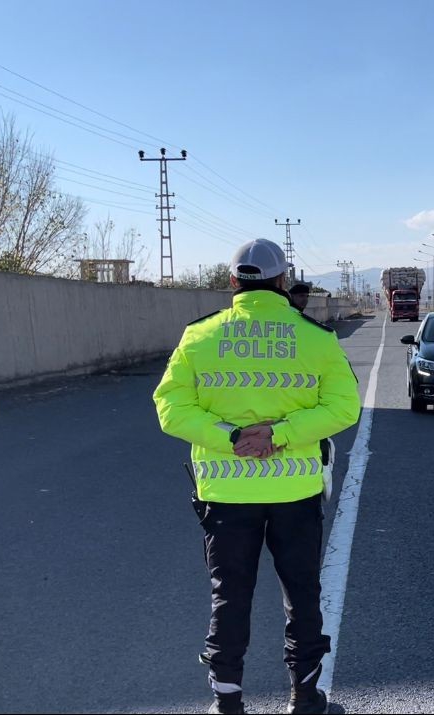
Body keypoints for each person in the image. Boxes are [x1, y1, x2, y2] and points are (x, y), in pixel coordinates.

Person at [153, 238, 360, 715]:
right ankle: (305, 700)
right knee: (303, 595)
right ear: (282, 281)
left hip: (224, 493)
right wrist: (282, 434)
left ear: (232, 282)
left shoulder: (199, 337)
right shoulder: (316, 338)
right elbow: (344, 407)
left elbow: (170, 408)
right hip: (296, 491)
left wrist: (231, 437)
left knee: (230, 596)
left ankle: (227, 704)